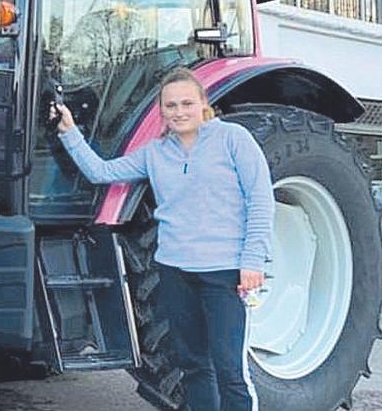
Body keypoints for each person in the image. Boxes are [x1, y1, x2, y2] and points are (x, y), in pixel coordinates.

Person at [50, 67, 273, 411]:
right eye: (171, 106)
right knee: (193, 365)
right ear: (162, 111)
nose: (179, 112)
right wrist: (69, 132)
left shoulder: (233, 139)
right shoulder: (154, 153)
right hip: (175, 272)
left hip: (225, 272)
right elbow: (102, 172)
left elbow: (260, 200)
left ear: (203, 103)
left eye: (186, 103)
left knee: (229, 368)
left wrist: (253, 262)